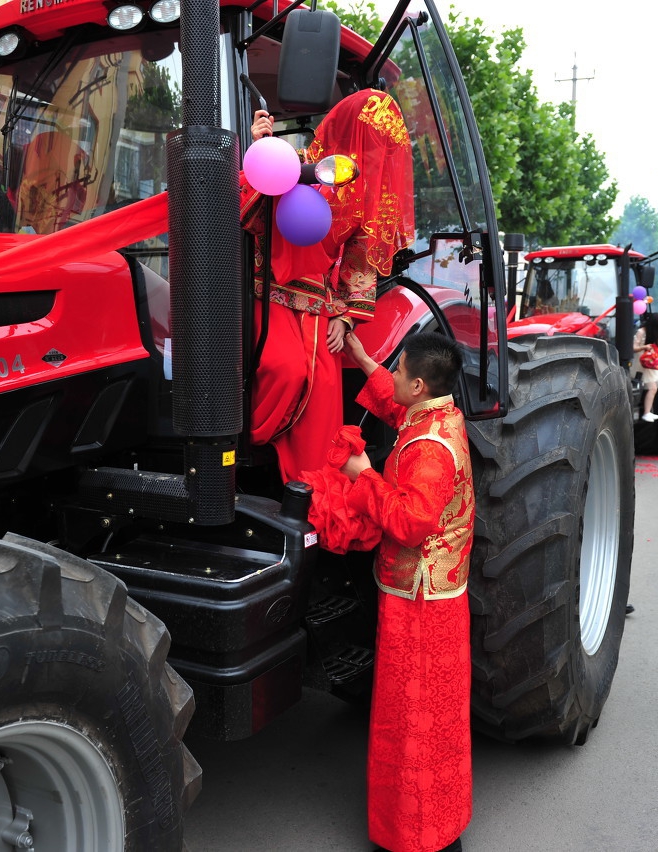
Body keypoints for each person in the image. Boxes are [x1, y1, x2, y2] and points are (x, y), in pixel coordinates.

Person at [339, 330, 474, 852]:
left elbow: (411, 522)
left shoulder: (430, 451)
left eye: (397, 370)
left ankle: (415, 837)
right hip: (435, 597)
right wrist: (361, 357)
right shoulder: (437, 415)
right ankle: (437, 828)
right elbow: (399, 414)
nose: (391, 376)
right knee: (435, 722)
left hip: (418, 605)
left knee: (411, 721)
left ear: (418, 384)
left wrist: (364, 474)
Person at [242, 90, 415, 482]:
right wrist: (261, 148)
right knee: (283, 369)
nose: (373, 152)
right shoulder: (300, 164)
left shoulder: (368, 196)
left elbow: (359, 261)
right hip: (269, 295)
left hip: (321, 309)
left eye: (381, 146)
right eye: (367, 139)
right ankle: (246, 447)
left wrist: (348, 319)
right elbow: (251, 221)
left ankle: (312, 494)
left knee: (322, 399)